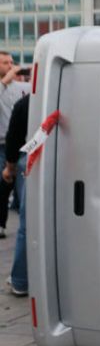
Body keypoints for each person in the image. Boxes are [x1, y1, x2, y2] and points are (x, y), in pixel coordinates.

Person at [0, 51, 30, 238]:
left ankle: (25, 222)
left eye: (11, 62)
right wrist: (4, 82)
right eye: (5, 63)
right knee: (1, 184)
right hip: (1, 143)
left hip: (20, 144)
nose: (10, 66)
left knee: (22, 185)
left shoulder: (22, 87)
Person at [3, 94, 29, 296]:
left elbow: (14, 137)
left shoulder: (25, 103)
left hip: (29, 161)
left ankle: (20, 280)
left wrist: (9, 168)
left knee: (27, 224)